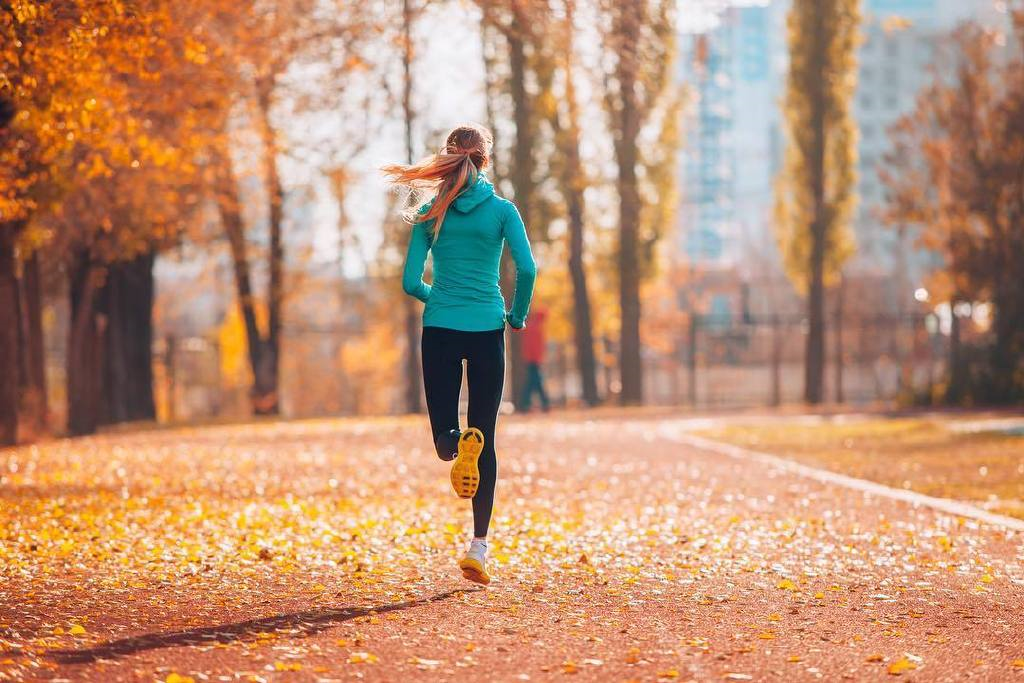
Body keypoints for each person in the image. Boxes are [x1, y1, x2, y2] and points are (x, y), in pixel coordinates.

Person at [384, 124, 536, 586]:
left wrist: (441, 299)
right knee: (485, 434)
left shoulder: (430, 212)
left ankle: (454, 439)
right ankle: (479, 546)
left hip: (441, 330)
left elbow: (411, 282)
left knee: (444, 441)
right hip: (488, 327)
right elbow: (527, 268)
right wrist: (516, 315)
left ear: (447, 159)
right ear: (485, 161)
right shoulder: (503, 210)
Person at [520, 303, 550, 412]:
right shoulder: (536, 327)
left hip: (531, 358)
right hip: (534, 359)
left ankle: (527, 404)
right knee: (535, 382)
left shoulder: (531, 325)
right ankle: (541, 404)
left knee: (533, 382)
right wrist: (538, 358)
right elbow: (536, 346)